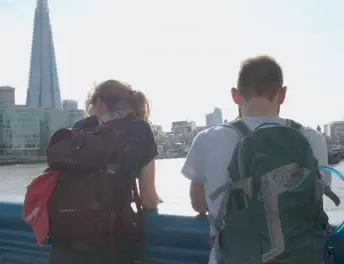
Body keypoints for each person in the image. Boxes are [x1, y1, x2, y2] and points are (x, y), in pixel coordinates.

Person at [182, 55, 335, 264]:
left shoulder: (208, 139)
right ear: (282, 94)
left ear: (235, 95)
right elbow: (317, 201)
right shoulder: (311, 139)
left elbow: (198, 204)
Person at [48, 79, 161, 264]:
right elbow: (148, 197)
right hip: (110, 246)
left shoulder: (79, 130)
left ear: (99, 102)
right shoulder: (139, 130)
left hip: (64, 243)